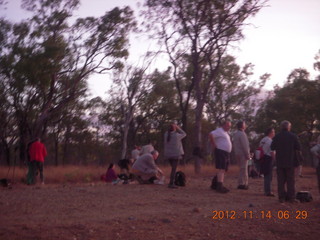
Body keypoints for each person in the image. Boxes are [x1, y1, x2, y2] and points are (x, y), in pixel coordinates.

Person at [271, 121, 301, 203]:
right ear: (289, 127)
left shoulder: (277, 136)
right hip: (290, 161)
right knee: (290, 180)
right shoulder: (293, 136)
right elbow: (298, 147)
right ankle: (291, 197)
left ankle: (281, 198)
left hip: (280, 161)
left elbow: (272, 147)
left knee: (281, 181)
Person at [209, 120, 232, 193]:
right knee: (221, 168)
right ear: (224, 125)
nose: (229, 127)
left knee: (224, 169)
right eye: (228, 126)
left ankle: (215, 184)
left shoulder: (225, 133)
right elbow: (211, 134)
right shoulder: (219, 130)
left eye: (230, 126)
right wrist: (214, 144)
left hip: (225, 152)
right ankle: (219, 186)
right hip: (220, 151)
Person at [164, 123, 187, 188]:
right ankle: (171, 183)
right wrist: (178, 127)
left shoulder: (166, 135)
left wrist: (173, 127)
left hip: (168, 155)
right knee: (174, 169)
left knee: (173, 169)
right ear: (174, 129)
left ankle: (174, 180)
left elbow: (168, 132)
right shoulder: (177, 135)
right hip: (176, 154)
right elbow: (184, 134)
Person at [233, 121, 250, 190]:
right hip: (243, 154)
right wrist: (247, 154)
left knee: (241, 168)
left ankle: (240, 183)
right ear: (242, 126)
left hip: (237, 153)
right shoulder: (242, 134)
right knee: (244, 169)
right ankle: (243, 183)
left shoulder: (236, 134)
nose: (245, 125)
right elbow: (245, 145)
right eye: (244, 124)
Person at [259, 128, 276, 197]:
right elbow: (272, 152)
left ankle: (266, 190)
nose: (274, 133)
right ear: (270, 133)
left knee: (266, 175)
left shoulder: (263, 140)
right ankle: (267, 191)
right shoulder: (270, 141)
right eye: (273, 132)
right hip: (268, 158)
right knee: (268, 175)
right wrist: (274, 159)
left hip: (262, 158)